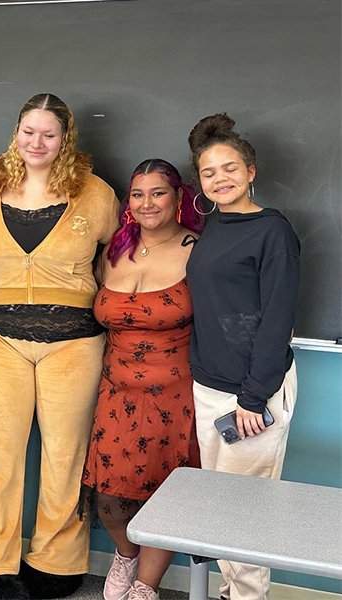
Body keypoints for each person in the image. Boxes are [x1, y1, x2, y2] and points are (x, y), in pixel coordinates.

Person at [0, 93, 120, 600]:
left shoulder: (97, 194)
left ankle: (57, 564)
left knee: (65, 455)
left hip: (74, 344)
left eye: (49, 134)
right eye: (29, 131)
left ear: (66, 138)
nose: (37, 143)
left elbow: (116, 261)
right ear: (16, 131)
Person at [185, 113, 300, 600]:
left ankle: (248, 596)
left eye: (229, 168)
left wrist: (253, 397)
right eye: (209, 172)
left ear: (251, 171)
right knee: (223, 509)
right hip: (210, 386)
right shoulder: (213, 227)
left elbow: (277, 320)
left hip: (253, 391)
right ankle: (232, 594)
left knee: (246, 514)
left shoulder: (272, 232)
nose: (220, 179)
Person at [82, 159, 203, 600]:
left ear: (178, 198)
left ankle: (146, 587)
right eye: (138, 194)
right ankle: (126, 557)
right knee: (110, 499)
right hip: (115, 391)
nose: (147, 202)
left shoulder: (199, 250)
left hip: (175, 395)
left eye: (158, 192)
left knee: (164, 495)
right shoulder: (114, 248)